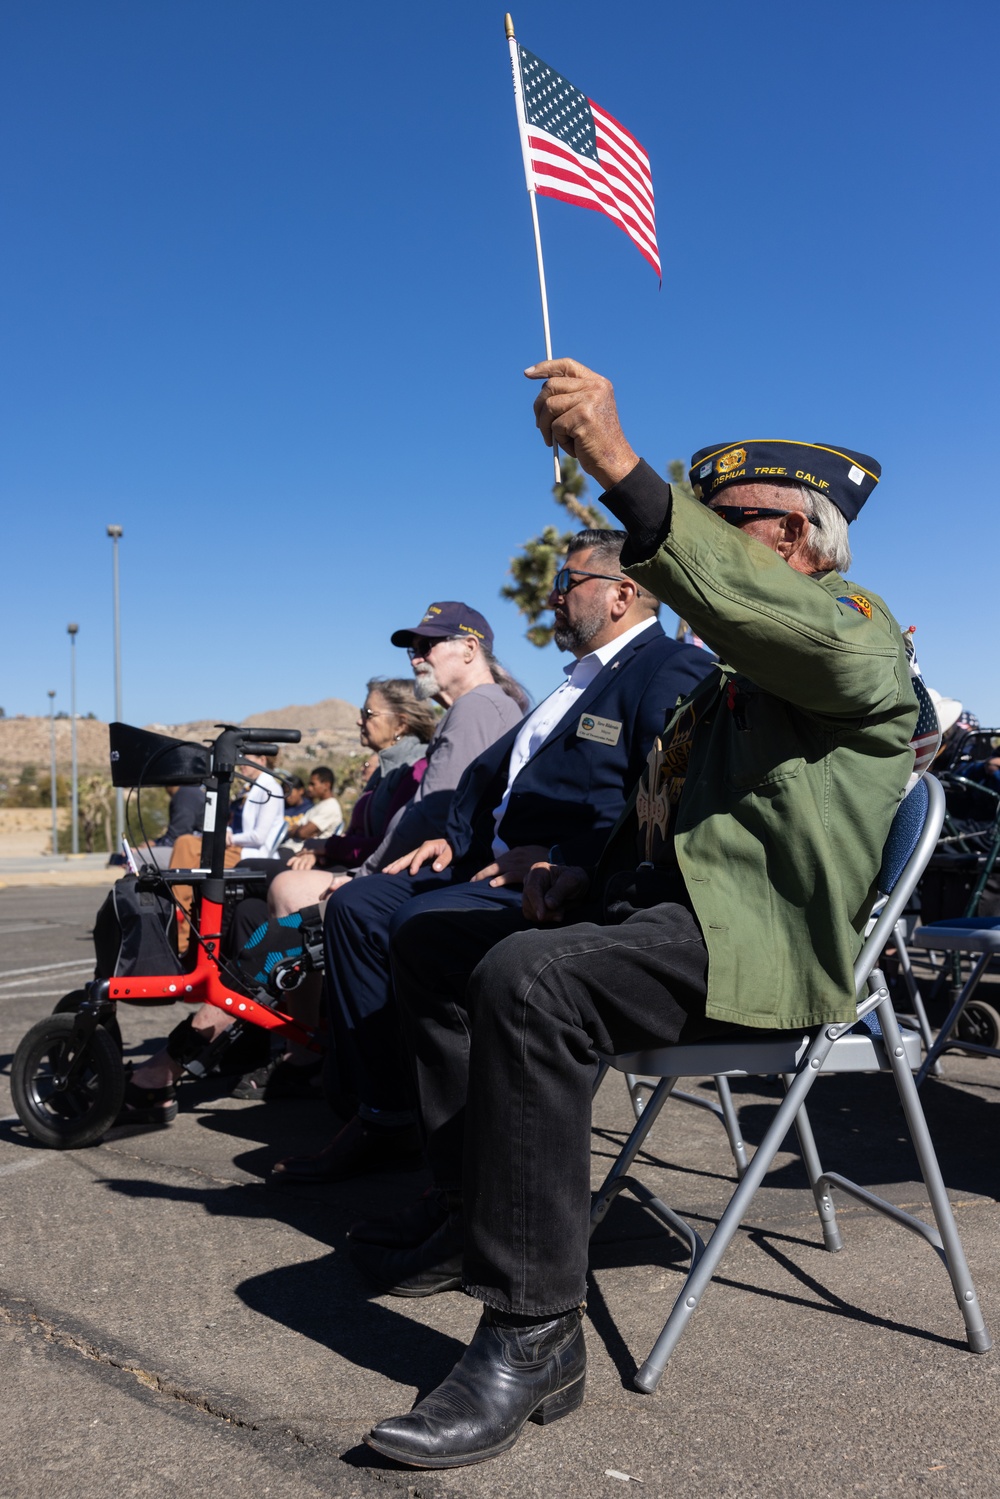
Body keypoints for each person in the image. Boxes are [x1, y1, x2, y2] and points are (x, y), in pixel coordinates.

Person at [363, 357, 919, 1470]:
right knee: (429, 937)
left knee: (533, 981)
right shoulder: (723, 685)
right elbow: (669, 820)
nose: (702, 539)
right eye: (697, 516)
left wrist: (618, 465)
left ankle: (531, 1332)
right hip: (664, 922)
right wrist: (575, 876)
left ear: (796, 541)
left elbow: (770, 644)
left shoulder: (855, 635)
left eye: (728, 520)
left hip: (759, 946)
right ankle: (474, 1210)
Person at [271, 532, 710, 1180]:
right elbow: (487, 779)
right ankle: (386, 1114)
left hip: (561, 881)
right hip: (487, 860)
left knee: (414, 926)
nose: (553, 597)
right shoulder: (576, 682)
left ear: (622, 594)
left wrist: (565, 854)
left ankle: (460, 1168)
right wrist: (452, 832)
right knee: (359, 909)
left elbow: (661, 799)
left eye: (568, 583)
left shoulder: (666, 667)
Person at [278, 767, 344, 852]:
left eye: (313, 784)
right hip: (288, 847)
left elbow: (302, 833)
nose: (309, 788)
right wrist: (301, 831)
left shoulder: (331, 807)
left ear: (326, 785)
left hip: (297, 853)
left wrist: (301, 831)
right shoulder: (319, 806)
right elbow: (293, 830)